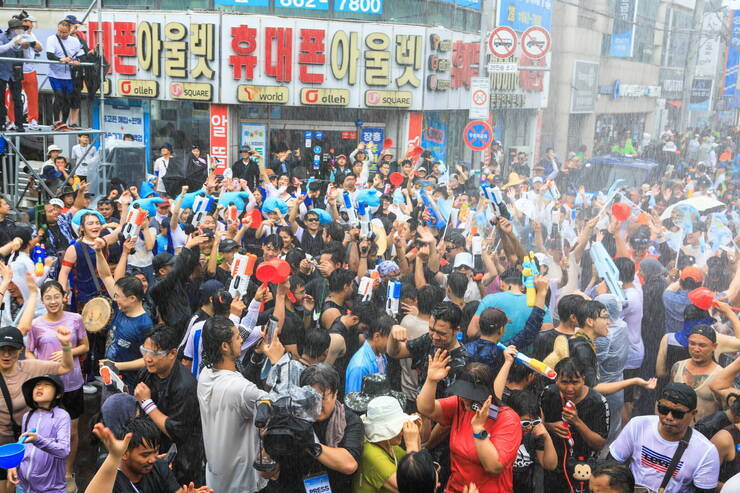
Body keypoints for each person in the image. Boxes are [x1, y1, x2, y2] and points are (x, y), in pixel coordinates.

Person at [416, 352, 521, 493]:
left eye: (470, 396)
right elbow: (425, 408)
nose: (464, 399)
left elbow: (493, 466)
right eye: (462, 393)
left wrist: (478, 429)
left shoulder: (508, 419)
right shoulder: (461, 404)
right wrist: (431, 380)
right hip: (455, 488)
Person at [22, 280, 88, 490]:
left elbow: (85, 346)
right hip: (47, 384)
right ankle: (46, 471)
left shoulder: (76, 319)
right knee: (45, 428)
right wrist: (39, 367)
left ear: (64, 297)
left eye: (56, 296)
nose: (53, 301)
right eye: (48, 297)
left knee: (72, 432)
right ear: (42, 300)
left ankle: (68, 471)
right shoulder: (36, 324)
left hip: (72, 383)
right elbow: (28, 350)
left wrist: (67, 351)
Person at [197, 317, 270, 493]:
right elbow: (275, 402)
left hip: (216, 480)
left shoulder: (205, 374)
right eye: (238, 338)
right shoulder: (241, 389)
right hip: (243, 485)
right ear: (224, 346)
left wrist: (257, 354)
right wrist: (276, 358)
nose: (242, 340)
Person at [264, 363, 364, 493]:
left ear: (335, 394)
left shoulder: (349, 421)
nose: (317, 403)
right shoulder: (290, 418)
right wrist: (270, 439)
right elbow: (265, 473)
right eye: (311, 396)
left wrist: (311, 444)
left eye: (322, 397)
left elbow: (349, 465)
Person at [609, 382, 719, 493]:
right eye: (663, 410)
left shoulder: (706, 452)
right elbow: (611, 467)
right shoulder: (638, 425)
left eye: (677, 413)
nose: (669, 417)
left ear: (693, 414)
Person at [132, 325, 205, 485]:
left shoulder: (185, 386)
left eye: (154, 354)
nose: (147, 359)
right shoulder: (147, 372)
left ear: (173, 353)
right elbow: (138, 410)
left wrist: (147, 403)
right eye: (145, 352)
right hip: (151, 451)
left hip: (179, 460)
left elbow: (177, 431)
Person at [86, 417, 212, 493]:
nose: (153, 459)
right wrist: (114, 456)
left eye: (155, 451)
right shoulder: (112, 477)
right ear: (124, 453)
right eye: (145, 454)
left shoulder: (160, 466)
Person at [540, 357, 609, 493]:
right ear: (556, 379)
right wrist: (550, 427)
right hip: (554, 467)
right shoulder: (548, 393)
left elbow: (599, 443)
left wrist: (576, 421)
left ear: (583, 379)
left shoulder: (597, 402)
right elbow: (537, 425)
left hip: (584, 468)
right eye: (564, 382)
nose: (570, 388)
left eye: (575, 382)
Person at [387, 301, 470, 399]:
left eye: (441, 333)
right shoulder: (429, 340)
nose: (435, 336)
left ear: (456, 330)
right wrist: (393, 336)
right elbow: (396, 352)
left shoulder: (462, 363)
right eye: (431, 329)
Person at [7, 374, 70, 493]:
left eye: (46, 385)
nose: (39, 388)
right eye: (37, 385)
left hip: (51, 488)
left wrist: (37, 440)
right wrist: (13, 465)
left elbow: (63, 450)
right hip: (23, 485)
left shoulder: (61, 416)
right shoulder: (28, 416)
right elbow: (22, 445)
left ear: (58, 394)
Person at [352, 396, 421, 493]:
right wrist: (412, 443)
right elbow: (414, 488)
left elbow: (420, 470)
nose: (402, 431)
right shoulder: (371, 455)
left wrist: (416, 437)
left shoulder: (391, 447)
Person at [669, 325, 722, 421]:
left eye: (702, 345)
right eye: (692, 344)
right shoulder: (677, 367)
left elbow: (727, 413)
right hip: (676, 429)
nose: (696, 349)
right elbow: (668, 399)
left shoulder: (721, 375)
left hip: (704, 433)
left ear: (714, 347)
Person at [45, 20, 83, 130]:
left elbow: (82, 55)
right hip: (55, 74)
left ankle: (64, 122)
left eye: (64, 32)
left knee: (67, 99)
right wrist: (61, 59)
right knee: (59, 95)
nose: (61, 34)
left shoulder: (75, 41)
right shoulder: (52, 39)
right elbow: (49, 55)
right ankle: (56, 120)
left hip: (69, 75)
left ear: (69, 31)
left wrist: (78, 61)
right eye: (59, 31)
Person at [7, 13, 42, 131]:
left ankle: (33, 120)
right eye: (26, 22)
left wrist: (31, 42)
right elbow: (21, 46)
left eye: (30, 22)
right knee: (14, 97)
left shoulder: (32, 34)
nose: (28, 25)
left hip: (30, 69)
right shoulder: (15, 34)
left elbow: (39, 47)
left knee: (33, 97)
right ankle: (11, 120)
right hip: (17, 69)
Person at [345, 315, 393, 395]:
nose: (393, 345)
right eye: (391, 340)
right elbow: (353, 402)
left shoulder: (382, 355)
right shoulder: (359, 367)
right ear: (377, 336)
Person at [0, 19, 25, 133]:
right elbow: (1, 49)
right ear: (11, 29)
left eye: (20, 29)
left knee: (17, 99)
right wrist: (13, 42)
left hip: (16, 72)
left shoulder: (23, 37)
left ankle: (19, 124)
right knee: (1, 99)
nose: (19, 31)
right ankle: (2, 123)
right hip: (2, 71)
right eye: (17, 29)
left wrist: (30, 45)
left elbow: (30, 54)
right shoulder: (2, 37)